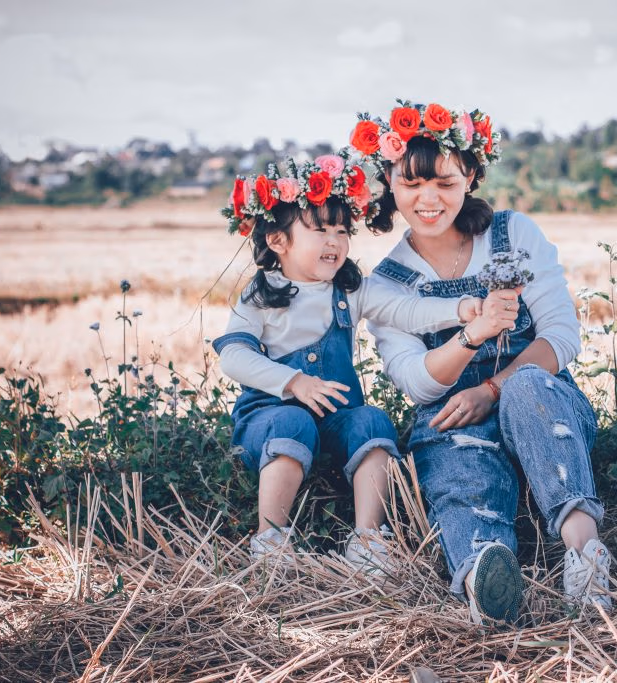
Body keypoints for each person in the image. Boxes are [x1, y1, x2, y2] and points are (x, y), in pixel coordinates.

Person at [349, 101, 612, 623]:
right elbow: (417, 384)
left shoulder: (514, 234)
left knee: (527, 389)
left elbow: (561, 338)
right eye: (412, 184)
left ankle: (586, 558)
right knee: (457, 466)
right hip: (449, 413)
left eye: (445, 182)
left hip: (537, 393)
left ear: (469, 175)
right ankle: (484, 579)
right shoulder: (386, 282)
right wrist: (472, 335)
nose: (429, 199)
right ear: (389, 182)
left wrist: (490, 389)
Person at [211, 152, 518, 575]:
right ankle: (271, 536)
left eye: (342, 230)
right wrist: (294, 382)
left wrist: (463, 308)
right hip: (268, 418)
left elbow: (406, 309)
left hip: (336, 418)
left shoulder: (351, 289)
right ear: (278, 241)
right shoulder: (260, 295)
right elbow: (235, 356)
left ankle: (369, 539)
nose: (335, 242)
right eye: (320, 231)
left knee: (371, 420)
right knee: (291, 423)